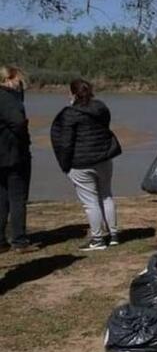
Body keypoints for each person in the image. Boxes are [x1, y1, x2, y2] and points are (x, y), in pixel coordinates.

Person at [51, 79, 121, 251]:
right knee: (106, 196)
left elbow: (64, 142)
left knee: (90, 202)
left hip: (80, 163)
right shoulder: (101, 108)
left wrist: (64, 165)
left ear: (73, 93)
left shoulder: (69, 113)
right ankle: (113, 235)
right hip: (104, 158)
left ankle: (97, 240)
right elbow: (105, 127)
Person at [0, 65, 36, 254]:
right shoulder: (7, 98)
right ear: (9, 78)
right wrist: (24, 135)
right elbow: (18, 122)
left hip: (4, 155)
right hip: (13, 155)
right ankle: (20, 240)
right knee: (17, 198)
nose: (21, 84)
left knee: (2, 198)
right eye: (18, 80)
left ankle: (1, 240)